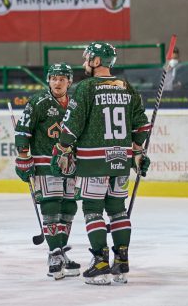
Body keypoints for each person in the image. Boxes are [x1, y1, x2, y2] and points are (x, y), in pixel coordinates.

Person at [53, 42, 151, 285]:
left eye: (88, 59)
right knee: (117, 209)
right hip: (120, 158)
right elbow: (142, 126)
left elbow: (72, 125)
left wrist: (62, 149)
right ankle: (122, 262)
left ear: (97, 61)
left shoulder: (85, 88)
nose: (85, 62)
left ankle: (100, 263)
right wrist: (137, 153)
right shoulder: (127, 87)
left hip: (93, 160)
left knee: (93, 210)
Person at [14, 63, 82, 280]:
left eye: (62, 78)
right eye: (53, 78)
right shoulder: (39, 102)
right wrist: (24, 158)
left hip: (70, 163)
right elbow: (23, 131)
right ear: (49, 80)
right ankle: (54, 253)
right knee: (51, 203)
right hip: (45, 161)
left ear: (69, 81)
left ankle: (61, 250)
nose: (57, 82)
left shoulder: (76, 104)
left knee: (69, 205)